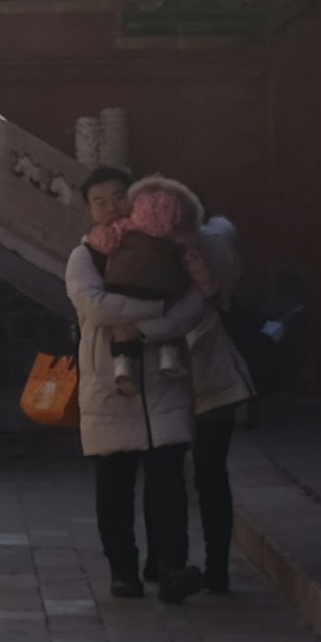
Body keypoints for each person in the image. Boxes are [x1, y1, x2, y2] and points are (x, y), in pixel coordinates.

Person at [68, 173, 248, 603]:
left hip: (165, 385)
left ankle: (170, 568)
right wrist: (155, 306)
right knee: (114, 487)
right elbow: (95, 306)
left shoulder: (169, 246)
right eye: (99, 201)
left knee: (168, 485)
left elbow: (192, 304)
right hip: (110, 387)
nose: (111, 207)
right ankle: (123, 571)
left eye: (118, 198)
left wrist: (147, 328)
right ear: (89, 209)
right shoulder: (85, 256)